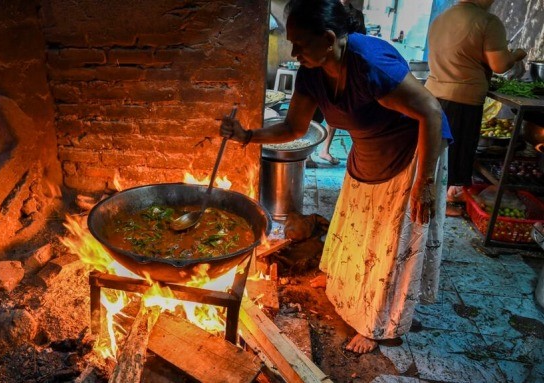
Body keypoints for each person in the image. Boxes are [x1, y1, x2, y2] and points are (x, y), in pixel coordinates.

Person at [221, 0, 453, 353]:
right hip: (369, 149)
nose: (294, 51)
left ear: (329, 38)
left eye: (300, 43)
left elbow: (432, 112)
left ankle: (378, 325)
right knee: (356, 226)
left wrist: (425, 184)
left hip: (413, 155)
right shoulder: (313, 72)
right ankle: (344, 286)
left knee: (389, 243)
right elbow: (293, 126)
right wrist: (248, 136)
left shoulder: (371, 64)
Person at [425, 0, 527, 216]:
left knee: (439, 149)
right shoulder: (487, 21)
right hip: (462, 97)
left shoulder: (441, 17)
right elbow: (499, 65)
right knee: (456, 150)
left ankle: (442, 196)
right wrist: (517, 54)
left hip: (433, 93)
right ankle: (442, 203)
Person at [314, 0, 366, 166]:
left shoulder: (356, 16)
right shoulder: (325, 10)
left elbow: (359, 40)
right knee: (314, 113)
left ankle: (325, 150)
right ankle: (306, 154)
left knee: (337, 111)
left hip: (344, 69)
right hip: (323, 67)